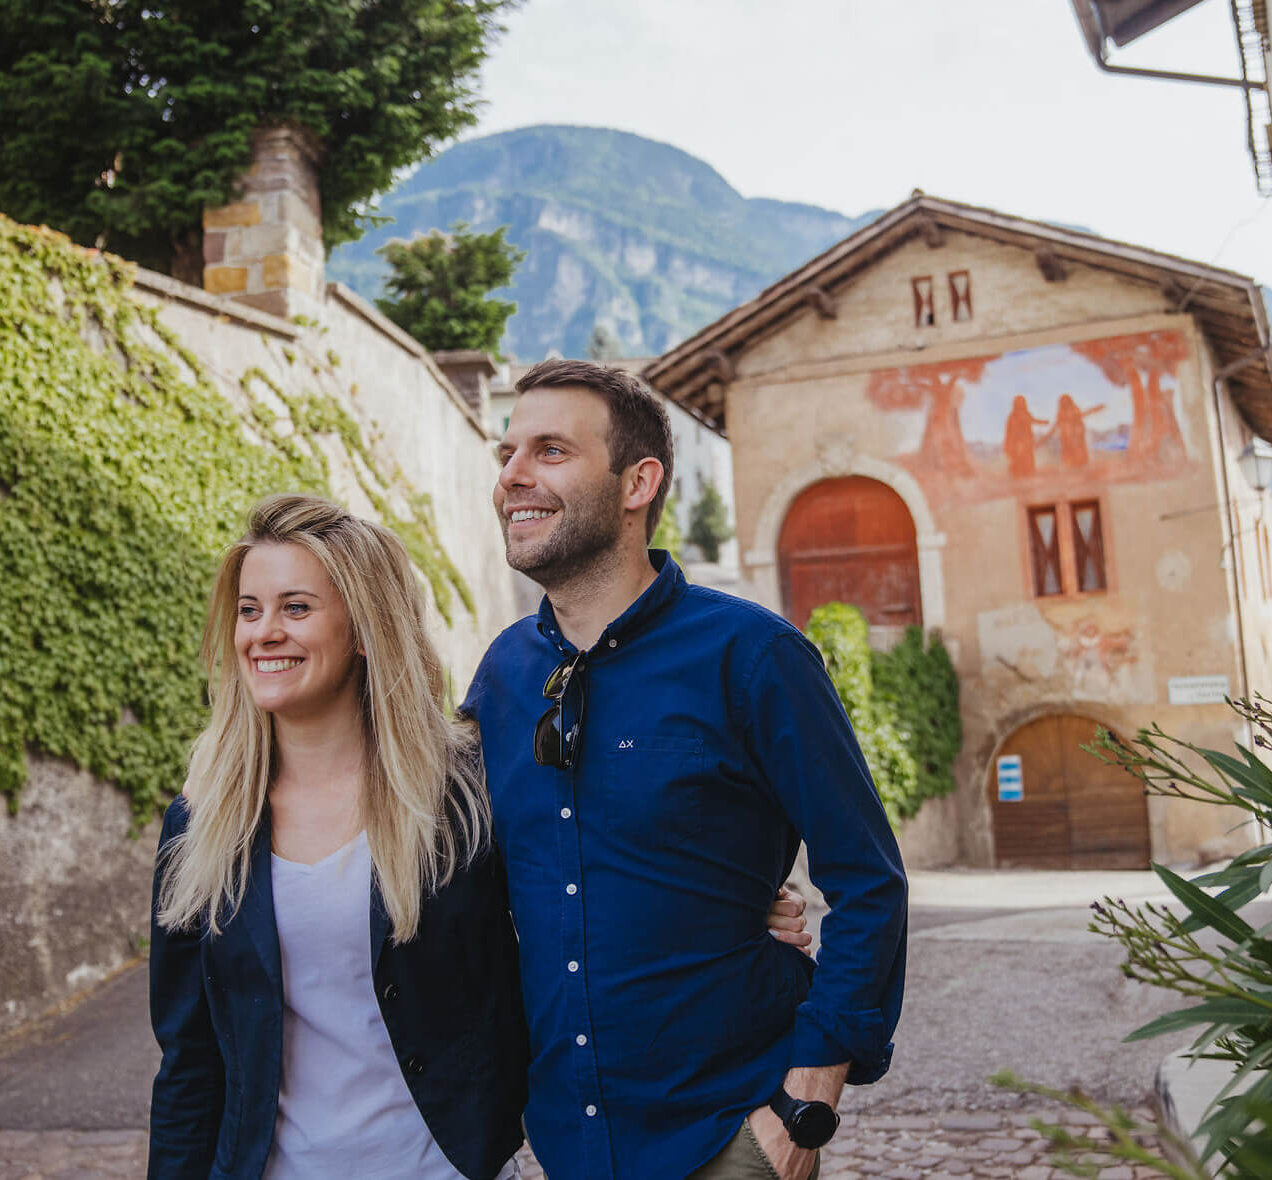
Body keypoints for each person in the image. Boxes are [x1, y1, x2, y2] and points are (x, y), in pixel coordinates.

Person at [145, 494, 812, 1179]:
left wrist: (721, 906)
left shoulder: (465, 793)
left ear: (365, 630)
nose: (263, 632)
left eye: (296, 608)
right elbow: (189, 1063)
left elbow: (587, 878)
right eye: (249, 611)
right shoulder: (201, 827)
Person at [464, 359, 910, 1180]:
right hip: (565, 1139)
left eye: (550, 451)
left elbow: (869, 882)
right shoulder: (501, 677)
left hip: (727, 1136)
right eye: (507, 454)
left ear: (638, 483)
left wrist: (803, 1107)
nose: (513, 478)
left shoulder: (755, 656)